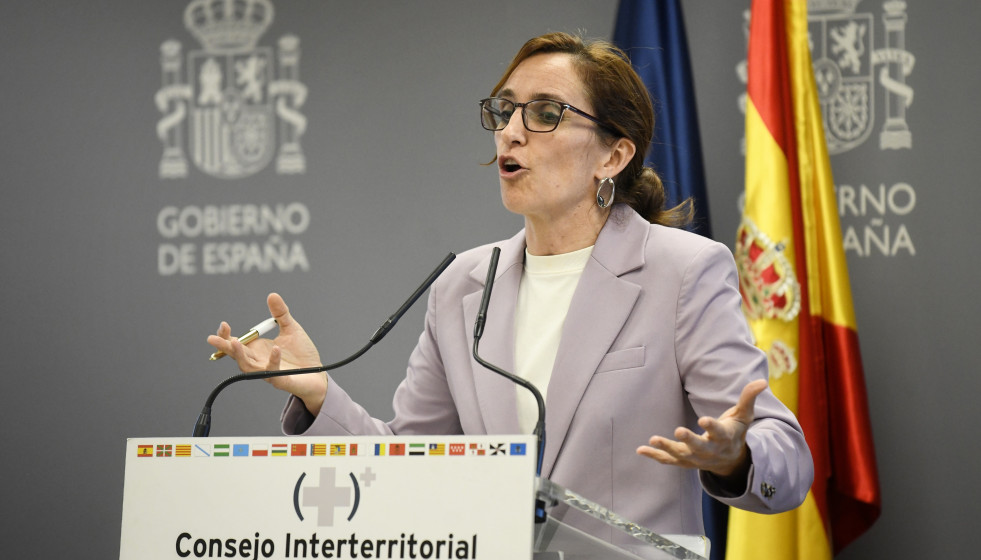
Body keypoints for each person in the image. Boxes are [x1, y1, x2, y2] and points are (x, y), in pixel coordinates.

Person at [207, 32, 813, 543]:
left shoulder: (682, 271)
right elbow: (408, 465)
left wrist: (737, 457)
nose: (511, 133)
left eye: (546, 113)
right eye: (503, 111)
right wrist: (318, 393)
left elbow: (786, 458)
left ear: (613, 155)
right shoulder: (465, 285)